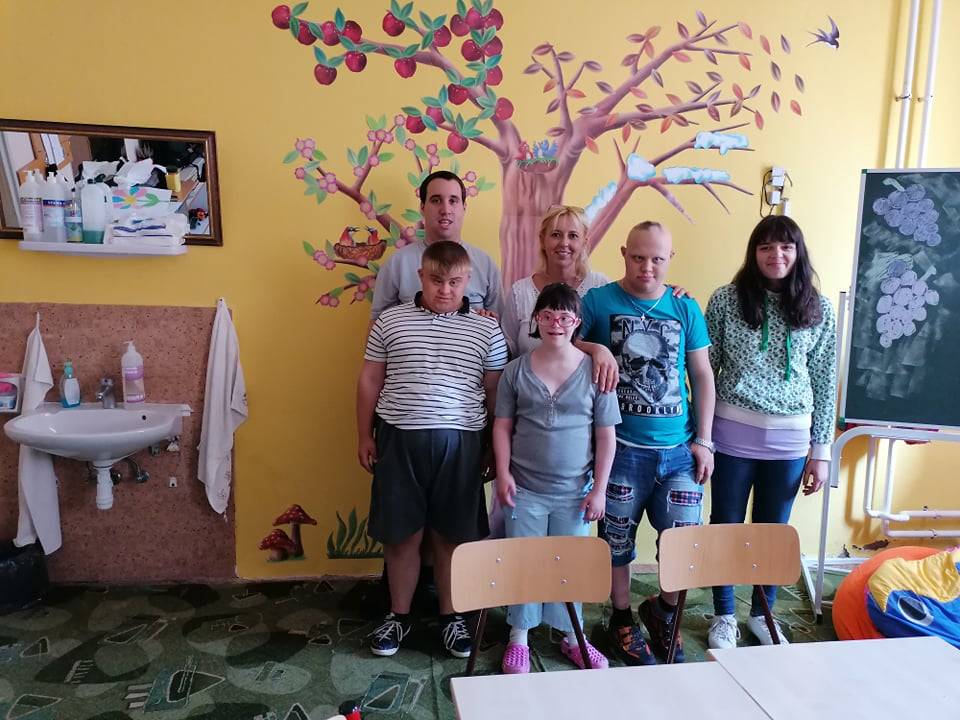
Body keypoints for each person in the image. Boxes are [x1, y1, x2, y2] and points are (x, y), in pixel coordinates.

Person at [357, 240, 508, 658]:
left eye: (455, 281)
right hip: (398, 439)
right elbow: (370, 379)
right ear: (420, 276)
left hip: (462, 445)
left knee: (452, 536)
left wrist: (493, 448)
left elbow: (495, 393)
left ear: (468, 280)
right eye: (436, 280)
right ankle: (398, 615)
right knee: (401, 536)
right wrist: (364, 435)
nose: (445, 289)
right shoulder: (391, 321)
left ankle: (452, 617)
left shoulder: (487, 329)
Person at [578, 221, 716, 665]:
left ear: (670, 258)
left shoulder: (684, 306)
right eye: (638, 257)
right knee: (616, 540)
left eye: (657, 259)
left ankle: (664, 612)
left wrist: (705, 441)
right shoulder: (598, 301)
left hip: (679, 451)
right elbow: (564, 340)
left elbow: (702, 375)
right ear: (624, 254)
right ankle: (621, 618)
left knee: (682, 542)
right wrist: (595, 348)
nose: (647, 267)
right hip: (620, 449)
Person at [704, 215, 836, 649]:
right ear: (753, 253)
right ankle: (723, 614)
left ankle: (763, 613)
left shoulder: (819, 309)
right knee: (725, 526)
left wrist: (821, 451)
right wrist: (701, 436)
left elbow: (824, 380)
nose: (775, 255)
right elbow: (704, 369)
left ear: (798, 252)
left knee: (773, 533)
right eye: (766, 247)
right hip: (731, 434)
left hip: (790, 441)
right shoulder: (726, 300)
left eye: (785, 247)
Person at [493, 283, 621, 674]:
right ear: (536, 319)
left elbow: (606, 436)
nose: (555, 324)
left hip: (575, 493)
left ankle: (572, 636)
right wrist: (503, 474)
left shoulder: (595, 372)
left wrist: (600, 490)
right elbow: (502, 427)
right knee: (525, 562)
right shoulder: (516, 370)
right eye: (547, 316)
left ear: (577, 322)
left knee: (569, 567)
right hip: (524, 489)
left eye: (564, 317)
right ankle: (519, 635)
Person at [370, 170, 501, 321]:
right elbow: (378, 324)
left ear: (464, 207)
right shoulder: (397, 264)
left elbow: (498, 323)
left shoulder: (486, 265)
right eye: (436, 200)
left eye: (453, 201)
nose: (445, 210)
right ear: (422, 207)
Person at [500, 205, 609, 356]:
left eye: (573, 236)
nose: (564, 243)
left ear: (584, 242)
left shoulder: (600, 287)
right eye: (556, 235)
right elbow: (506, 350)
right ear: (542, 240)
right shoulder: (520, 292)